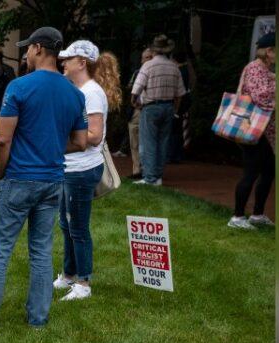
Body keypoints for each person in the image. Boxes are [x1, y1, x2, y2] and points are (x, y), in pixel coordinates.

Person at [0, 27, 87, 332]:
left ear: (39, 48)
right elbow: (81, 142)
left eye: (28, 48)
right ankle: (38, 319)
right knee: (42, 252)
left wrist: (1, 172)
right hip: (53, 180)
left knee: (0, 251)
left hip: (19, 178)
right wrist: (51, 145)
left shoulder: (19, 87)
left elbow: (3, 141)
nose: (26, 53)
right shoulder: (74, 93)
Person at [53, 41, 120, 302]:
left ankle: (83, 281)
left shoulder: (91, 92)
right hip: (71, 168)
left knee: (77, 227)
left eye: (68, 59)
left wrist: (58, 144)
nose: (63, 63)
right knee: (66, 223)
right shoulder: (79, 89)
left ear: (82, 63)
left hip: (82, 169)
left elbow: (93, 136)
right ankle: (69, 274)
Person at [229, 31, 276, 231]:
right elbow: (260, 97)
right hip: (254, 131)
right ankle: (237, 217)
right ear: (269, 51)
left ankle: (257, 214)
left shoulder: (267, 70)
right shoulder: (255, 68)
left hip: (267, 132)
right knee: (251, 173)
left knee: (268, 172)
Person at [131, 35, 185, 186]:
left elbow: (136, 89)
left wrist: (134, 102)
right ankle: (158, 177)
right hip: (168, 107)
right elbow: (180, 94)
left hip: (151, 107)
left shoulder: (148, 66)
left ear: (153, 50)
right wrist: (175, 109)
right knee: (163, 143)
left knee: (148, 143)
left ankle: (149, 178)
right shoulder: (174, 66)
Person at [126, 49, 154, 178]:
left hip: (151, 110)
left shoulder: (157, 72)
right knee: (134, 141)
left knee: (149, 141)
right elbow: (130, 88)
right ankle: (137, 170)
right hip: (137, 110)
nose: (147, 60)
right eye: (145, 57)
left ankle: (148, 170)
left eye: (150, 57)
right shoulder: (137, 72)